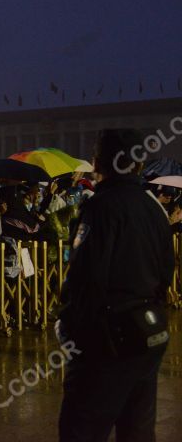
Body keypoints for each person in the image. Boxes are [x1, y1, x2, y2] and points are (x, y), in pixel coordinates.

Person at [57, 129, 174, 442]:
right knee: (137, 429)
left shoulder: (101, 207)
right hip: (149, 330)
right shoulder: (155, 208)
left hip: (108, 339)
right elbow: (166, 274)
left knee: (82, 428)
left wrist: (70, 326)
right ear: (138, 164)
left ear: (99, 162)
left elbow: (85, 278)